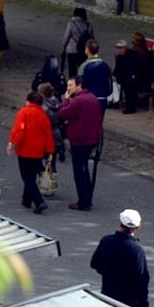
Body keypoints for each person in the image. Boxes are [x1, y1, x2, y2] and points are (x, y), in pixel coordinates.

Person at [91, 209, 150, 307]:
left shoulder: (106, 241)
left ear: (120, 224)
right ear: (138, 228)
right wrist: (144, 304)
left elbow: (95, 263)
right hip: (130, 303)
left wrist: (107, 271)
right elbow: (141, 279)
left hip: (107, 296)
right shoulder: (137, 251)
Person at [59, 75, 103, 211]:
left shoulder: (78, 101)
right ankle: (87, 198)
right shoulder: (92, 98)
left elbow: (63, 113)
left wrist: (66, 100)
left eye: (70, 85)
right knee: (84, 170)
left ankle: (83, 201)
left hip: (79, 140)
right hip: (91, 139)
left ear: (79, 85)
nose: (68, 88)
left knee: (79, 171)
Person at [8, 91, 55, 214]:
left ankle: (38, 201)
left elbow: (18, 130)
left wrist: (12, 143)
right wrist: (50, 152)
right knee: (32, 174)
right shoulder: (43, 115)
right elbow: (48, 135)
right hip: (38, 151)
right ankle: (26, 199)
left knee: (27, 177)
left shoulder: (24, 112)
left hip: (25, 150)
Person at [78, 40, 114, 111]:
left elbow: (80, 84)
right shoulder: (104, 65)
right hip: (103, 97)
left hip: (89, 99)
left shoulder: (84, 66)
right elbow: (109, 81)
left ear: (87, 50)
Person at [61, 6, 94, 75]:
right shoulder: (88, 25)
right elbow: (92, 39)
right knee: (82, 70)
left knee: (72, 70)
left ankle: (73, 84)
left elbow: (66, 37)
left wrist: (64, 47)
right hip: (84, 50)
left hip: (72, 50)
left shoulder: (71, 24)